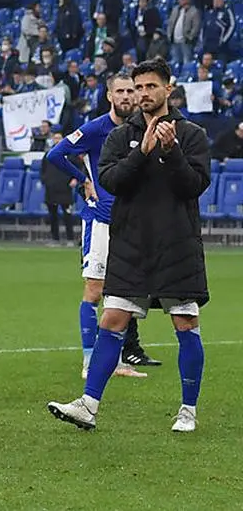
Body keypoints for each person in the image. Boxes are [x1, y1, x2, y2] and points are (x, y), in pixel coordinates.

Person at [48, 59, 211, 432]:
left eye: (151, 86)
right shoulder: (119, 138)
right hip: (132, 243)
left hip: (176, 243)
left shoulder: (192, 135)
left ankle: (188, 411)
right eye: (138, 88)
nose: (143, 94)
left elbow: (193, 186)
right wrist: (142, 152)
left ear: (168, 89)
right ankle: (88, 406)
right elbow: (112, 181)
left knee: (186, 322)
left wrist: (171, 153)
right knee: (113, 318)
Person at [44, 73, 157, 374]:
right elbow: (55, 154)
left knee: (122, 294)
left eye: (130, 91)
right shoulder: (96, 128)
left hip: (131, 222)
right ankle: (88, 361)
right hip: (101, 220)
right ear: (109, 96)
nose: (126, 96)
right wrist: (83, 180)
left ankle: (116, 361)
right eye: (119, 91)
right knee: (94, 291)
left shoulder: (143, 128)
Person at [39, 132, 76, 247]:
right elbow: (43, 169)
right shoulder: (48, 154)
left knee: (67, 215)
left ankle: (70, 238)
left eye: (59, 138)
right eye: (55, 138)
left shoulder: (70, 154)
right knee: (53, 216)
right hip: (51, 190)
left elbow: (78, 167)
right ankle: (55, 239)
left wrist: (75, 178)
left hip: (65, 189)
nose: (57, 140)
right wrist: (45, 180)